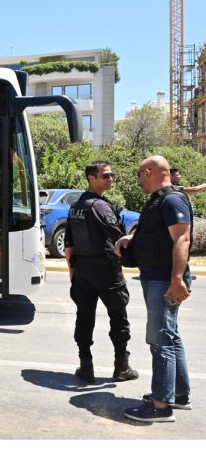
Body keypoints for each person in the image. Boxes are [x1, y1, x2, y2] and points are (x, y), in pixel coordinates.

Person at [116, 155, 193, 423]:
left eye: (139, 175)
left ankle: (161, 406)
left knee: (160, 340)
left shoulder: (171, 199)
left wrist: (176, 278)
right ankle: (178, 395)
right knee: (171, 336)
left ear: (148, 172)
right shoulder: (160, 200)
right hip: (159, 277)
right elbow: (158, 232)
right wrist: (131, 238)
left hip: (164, 279)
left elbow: (182, 238)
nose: (138, 180)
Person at [64, 160, 138, 384]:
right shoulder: (100, 206)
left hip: (83, 270)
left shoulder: (76, 205)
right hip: (106, 270)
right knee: (118, 317)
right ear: (91, 178)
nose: (111, 179)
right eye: (106, 176)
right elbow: (119, 239)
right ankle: (121, 367)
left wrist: (72, 271)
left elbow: (69, 244)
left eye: (112, 175)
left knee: (84, 317)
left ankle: (85, 366)